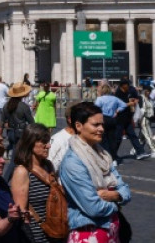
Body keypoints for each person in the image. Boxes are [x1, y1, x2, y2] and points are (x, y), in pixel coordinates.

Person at [59, 102, 131, 243]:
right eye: (95, 125)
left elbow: (125, 191)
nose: (101, 129)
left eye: (102, 124)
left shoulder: (103, 155)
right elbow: (93, 208)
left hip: (110, 231)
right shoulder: (73, 162)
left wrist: (115, 195)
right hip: (88, 233)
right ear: (79, 126)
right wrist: (117, 202)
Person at [9, 123, 63, 243]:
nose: (48, 146)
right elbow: (22, 213)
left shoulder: (48, 166)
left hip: (56, 232)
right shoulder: (22, 172)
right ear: (30, 143)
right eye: (44, 142)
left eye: (48, 142)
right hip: (36, 235)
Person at [113, 79, 150, 161]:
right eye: (127, 85)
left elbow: (135, 98)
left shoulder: (129, 91)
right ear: (122, 86)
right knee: (118, 138)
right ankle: (112, 154)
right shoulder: (118, 93)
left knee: (133, 135)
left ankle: (140, 152)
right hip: (120, 118)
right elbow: (118, 105)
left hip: (128, 117)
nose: (128, 87)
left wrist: (135, 100)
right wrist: (129, 104)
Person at [93, 83, 128, 162]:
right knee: (112, 139)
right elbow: (124, 105)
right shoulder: (114, 98)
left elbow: (95, 108)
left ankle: (106, 157)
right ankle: (114, 157)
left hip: (103, 119)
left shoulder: (100, 99)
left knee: (103, 139)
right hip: (112, 119)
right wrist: (117, 111)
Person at [2, 83, 35, 158]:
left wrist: (0, 134)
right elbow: (31, 122)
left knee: (15, 152)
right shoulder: (24, 106)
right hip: (21, 132)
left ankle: (7, 152)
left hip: (10, 132)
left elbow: (2, 122)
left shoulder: (6, 105)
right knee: (17, 157)